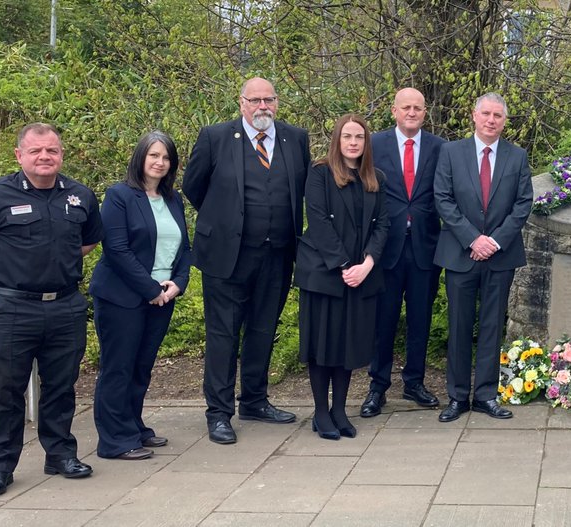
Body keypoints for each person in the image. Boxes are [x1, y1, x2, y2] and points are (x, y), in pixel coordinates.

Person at [0, 123, 103, 497]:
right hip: (13, 309)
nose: (44, 157)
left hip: (65, 306)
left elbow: (88, 243)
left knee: (61, 386)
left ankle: (60, 453)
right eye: (35, 151)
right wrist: (11, 277)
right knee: (7, 391)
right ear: (19, 155)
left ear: (62, 155)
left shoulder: (80, 195)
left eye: (51, 151)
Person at [183, 77, 311, 444]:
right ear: (241, 103)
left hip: (278, 254)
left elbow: (300, 189)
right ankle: (218, 413)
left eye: (268, 99)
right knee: (223, 334)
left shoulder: (294, 138)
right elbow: (194, 187)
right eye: (254, 100)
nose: (262, 107)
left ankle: (255, 400)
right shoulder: (215, 137)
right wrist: (225, 219)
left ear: (277, 101)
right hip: (227, 255)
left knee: (262, 329)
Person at [89, 131, 192, 461]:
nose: (160, 162)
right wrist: (151, 290)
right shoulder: (119, 195)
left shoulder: (172, 199)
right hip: (123, 298)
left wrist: (178, 283)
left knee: (141, 367)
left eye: (166, 158)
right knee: (118, 367)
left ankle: (133, 426)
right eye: (154, 156)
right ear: (140, 158)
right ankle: (114, 440)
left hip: (162, 298)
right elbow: (116, 249)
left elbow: (184, 248)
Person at [433, 93, 534, 423]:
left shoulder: (517, 157)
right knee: (460, 326)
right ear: (474, 116)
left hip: (499, 256)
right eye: (486, 114)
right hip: (461, 253)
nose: (492, 120)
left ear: (505, 121)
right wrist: (473, 239)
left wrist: (494, 241)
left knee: (492, 327)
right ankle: (458, 396)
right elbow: (443, 199)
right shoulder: (451, 152)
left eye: (498, 116)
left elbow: (522, 204)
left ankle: (487, 395)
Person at [295, 114, 390, 440]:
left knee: (348, 345)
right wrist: (343, 265)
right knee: (324, 344)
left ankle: (339, 409)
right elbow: (319, 221)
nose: (353, 142)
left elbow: (382, 225)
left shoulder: (375, 178)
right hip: (325, 274)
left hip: (361, 275)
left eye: (359, 137)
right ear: (337, 140)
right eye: (347, 136)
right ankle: (321, 411)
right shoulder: (320, 173)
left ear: (366, 143)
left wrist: (367, 263)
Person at [362, 88, 445, 418]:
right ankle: (377, 386)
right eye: (406, 107)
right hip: (386, 247)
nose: (412, 112)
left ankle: (414, 382)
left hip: (425, 246)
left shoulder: (441, 148)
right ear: (394, 111)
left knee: (420, 319)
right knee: (383, 320)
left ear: (425, 112)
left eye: (418, 108)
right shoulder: (375, 144)